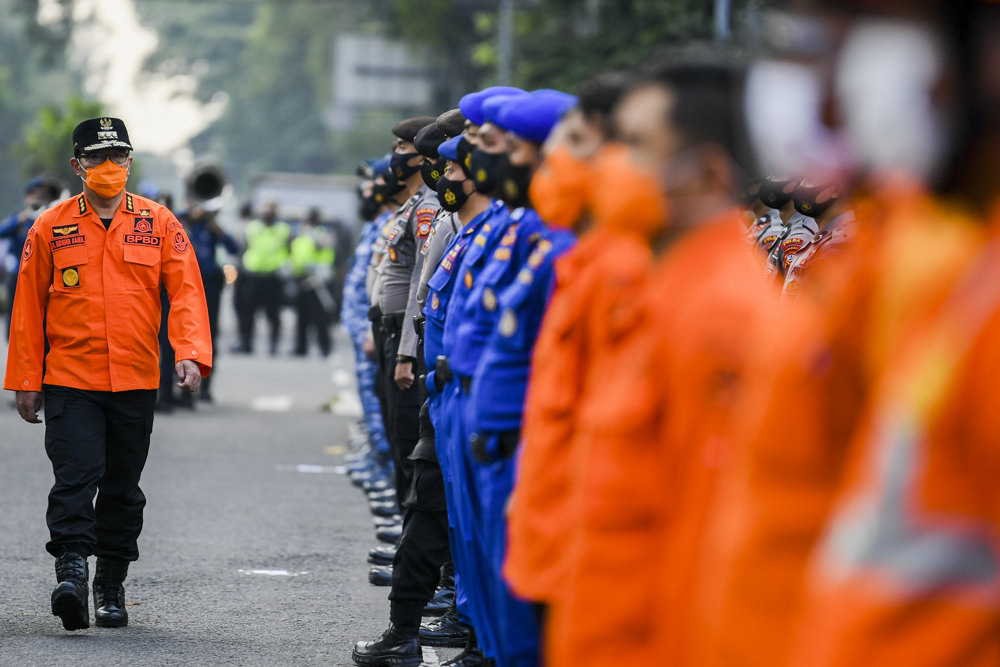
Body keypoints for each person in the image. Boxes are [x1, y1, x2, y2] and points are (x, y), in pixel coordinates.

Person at [3, 117, 212, 631]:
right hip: (70, 378)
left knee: (122, 487)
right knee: (75, 479)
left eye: (117, 156)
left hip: (136, 378)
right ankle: (72, 575)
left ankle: (111, 583)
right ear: (78, 166)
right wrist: (26, 379)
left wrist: (189, 352)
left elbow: (186, 289)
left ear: (130, 162)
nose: (108, 166)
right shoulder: (49, 226)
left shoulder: (159, 222)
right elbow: (27, 306)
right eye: (97, 157)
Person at [0, 174, 63, 336]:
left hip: (47, 279)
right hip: (18, 276)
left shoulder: (54, 219)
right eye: (33, 194)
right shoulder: (19, 219)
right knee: (16, 318)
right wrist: (23, 216)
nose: (37, 199)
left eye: (42, 195)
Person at [236, 200, 290, 355]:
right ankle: (246, 343)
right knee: (247, 312)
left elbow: (289, 249)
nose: (268, 213)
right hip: (252, 275)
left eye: (271, 210)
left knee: (273, 314)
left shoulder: (283, 229)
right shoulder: (252, 227)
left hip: (273, 276)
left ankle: (274, 344)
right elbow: (243, 248)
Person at [290, 207, 336, 358]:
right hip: (301, 278)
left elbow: (326, 250)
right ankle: (300, 347)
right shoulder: (301, 233)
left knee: (320, 317)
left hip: (317, 280)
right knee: (301, 316)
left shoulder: (321, 233)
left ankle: (325, 347)